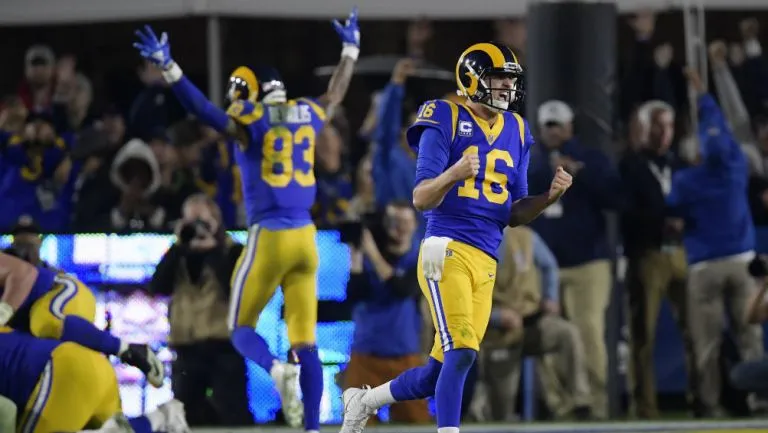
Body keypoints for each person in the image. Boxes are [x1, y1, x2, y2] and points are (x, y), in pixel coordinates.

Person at [132, 9, 360, 431]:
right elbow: (336, 94)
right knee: (306, 343)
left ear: (249, 92)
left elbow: (203, 110)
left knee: (239, 328)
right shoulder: (306, 111)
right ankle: (312, 427)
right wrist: (350, 50)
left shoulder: (249, 121)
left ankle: (275, 369)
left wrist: (169, 67)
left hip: (269, 235)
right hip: (306, 238)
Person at [339, 41, 572, 433]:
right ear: (473, 79)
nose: (506, 87)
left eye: (509, 80)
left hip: (487, 257)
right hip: (445, 249)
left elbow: (514, 214)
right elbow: (420, 197)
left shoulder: (517, 128)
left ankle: (364, 401)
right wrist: (455, 173)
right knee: (461, 350)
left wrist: (548, 198)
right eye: (497, 78)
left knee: (440, 370)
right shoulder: (444, 115)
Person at [668, 69, 765, 417]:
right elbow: (721, 128)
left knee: (707, 343)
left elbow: (672, 212)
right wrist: (704, 96)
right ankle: (759, 400)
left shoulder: (686, 180)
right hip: (742, 262)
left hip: (705, 266)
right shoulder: (736, 165)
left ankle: (709, 405)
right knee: (749, 337)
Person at [148, 194, 253, 426]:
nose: (197, 228)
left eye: (202, 221)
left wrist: (213, 250)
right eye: (191, 222)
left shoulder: (234, 252)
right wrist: (179, 247)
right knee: (186, 417)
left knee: (233, 416)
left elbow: (235, 291)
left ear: (216, 221)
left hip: (224, 347)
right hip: (187, 348)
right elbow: (157, 287)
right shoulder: (179, 254)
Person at [0, 251, 164, 388]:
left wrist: (4, 311)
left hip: (58, 292)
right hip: (38, 329)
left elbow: (24, 273)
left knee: (46, 321)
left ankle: (127, 349)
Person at [0, 327, 188, 433]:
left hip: (64, 371)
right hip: (92, 364)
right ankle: (160, 417)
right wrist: (119, 347)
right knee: (118, 430)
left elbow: (6, 411)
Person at [343, 201, 429, 424]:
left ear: (414, 225)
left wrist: (372, 253)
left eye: (405, 222)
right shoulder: (366, 257)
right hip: (365, 354)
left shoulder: (420, 257)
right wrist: (356, 254)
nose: (399, 228)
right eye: (393, 222)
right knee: (356, 424)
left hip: (404, 356)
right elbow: (354, 294)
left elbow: (403, 289)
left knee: (416, 424)